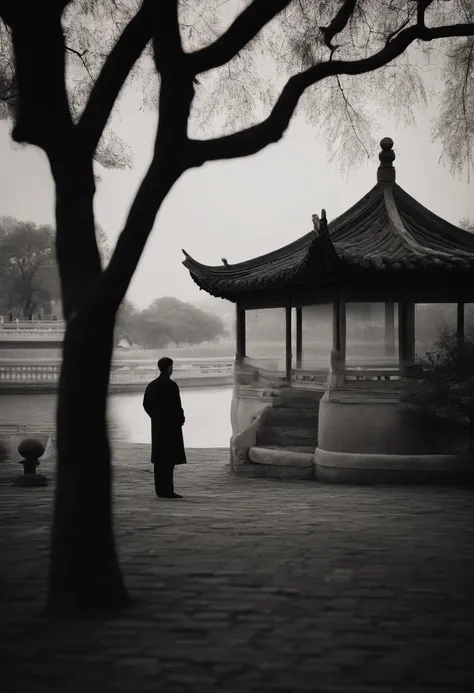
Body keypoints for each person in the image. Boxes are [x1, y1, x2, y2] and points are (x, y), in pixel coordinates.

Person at [143, 356, 186, 499]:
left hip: (157, 426)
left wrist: (155, 417)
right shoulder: (171, 385)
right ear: (169, 368)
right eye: (172, 367)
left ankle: (160, 490)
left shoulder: (152, 385)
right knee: (169, 460)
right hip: (171, 426)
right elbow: (176, 405)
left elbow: (146, 404)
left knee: (159, 459)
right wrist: (180, 419)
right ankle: (168, 490)